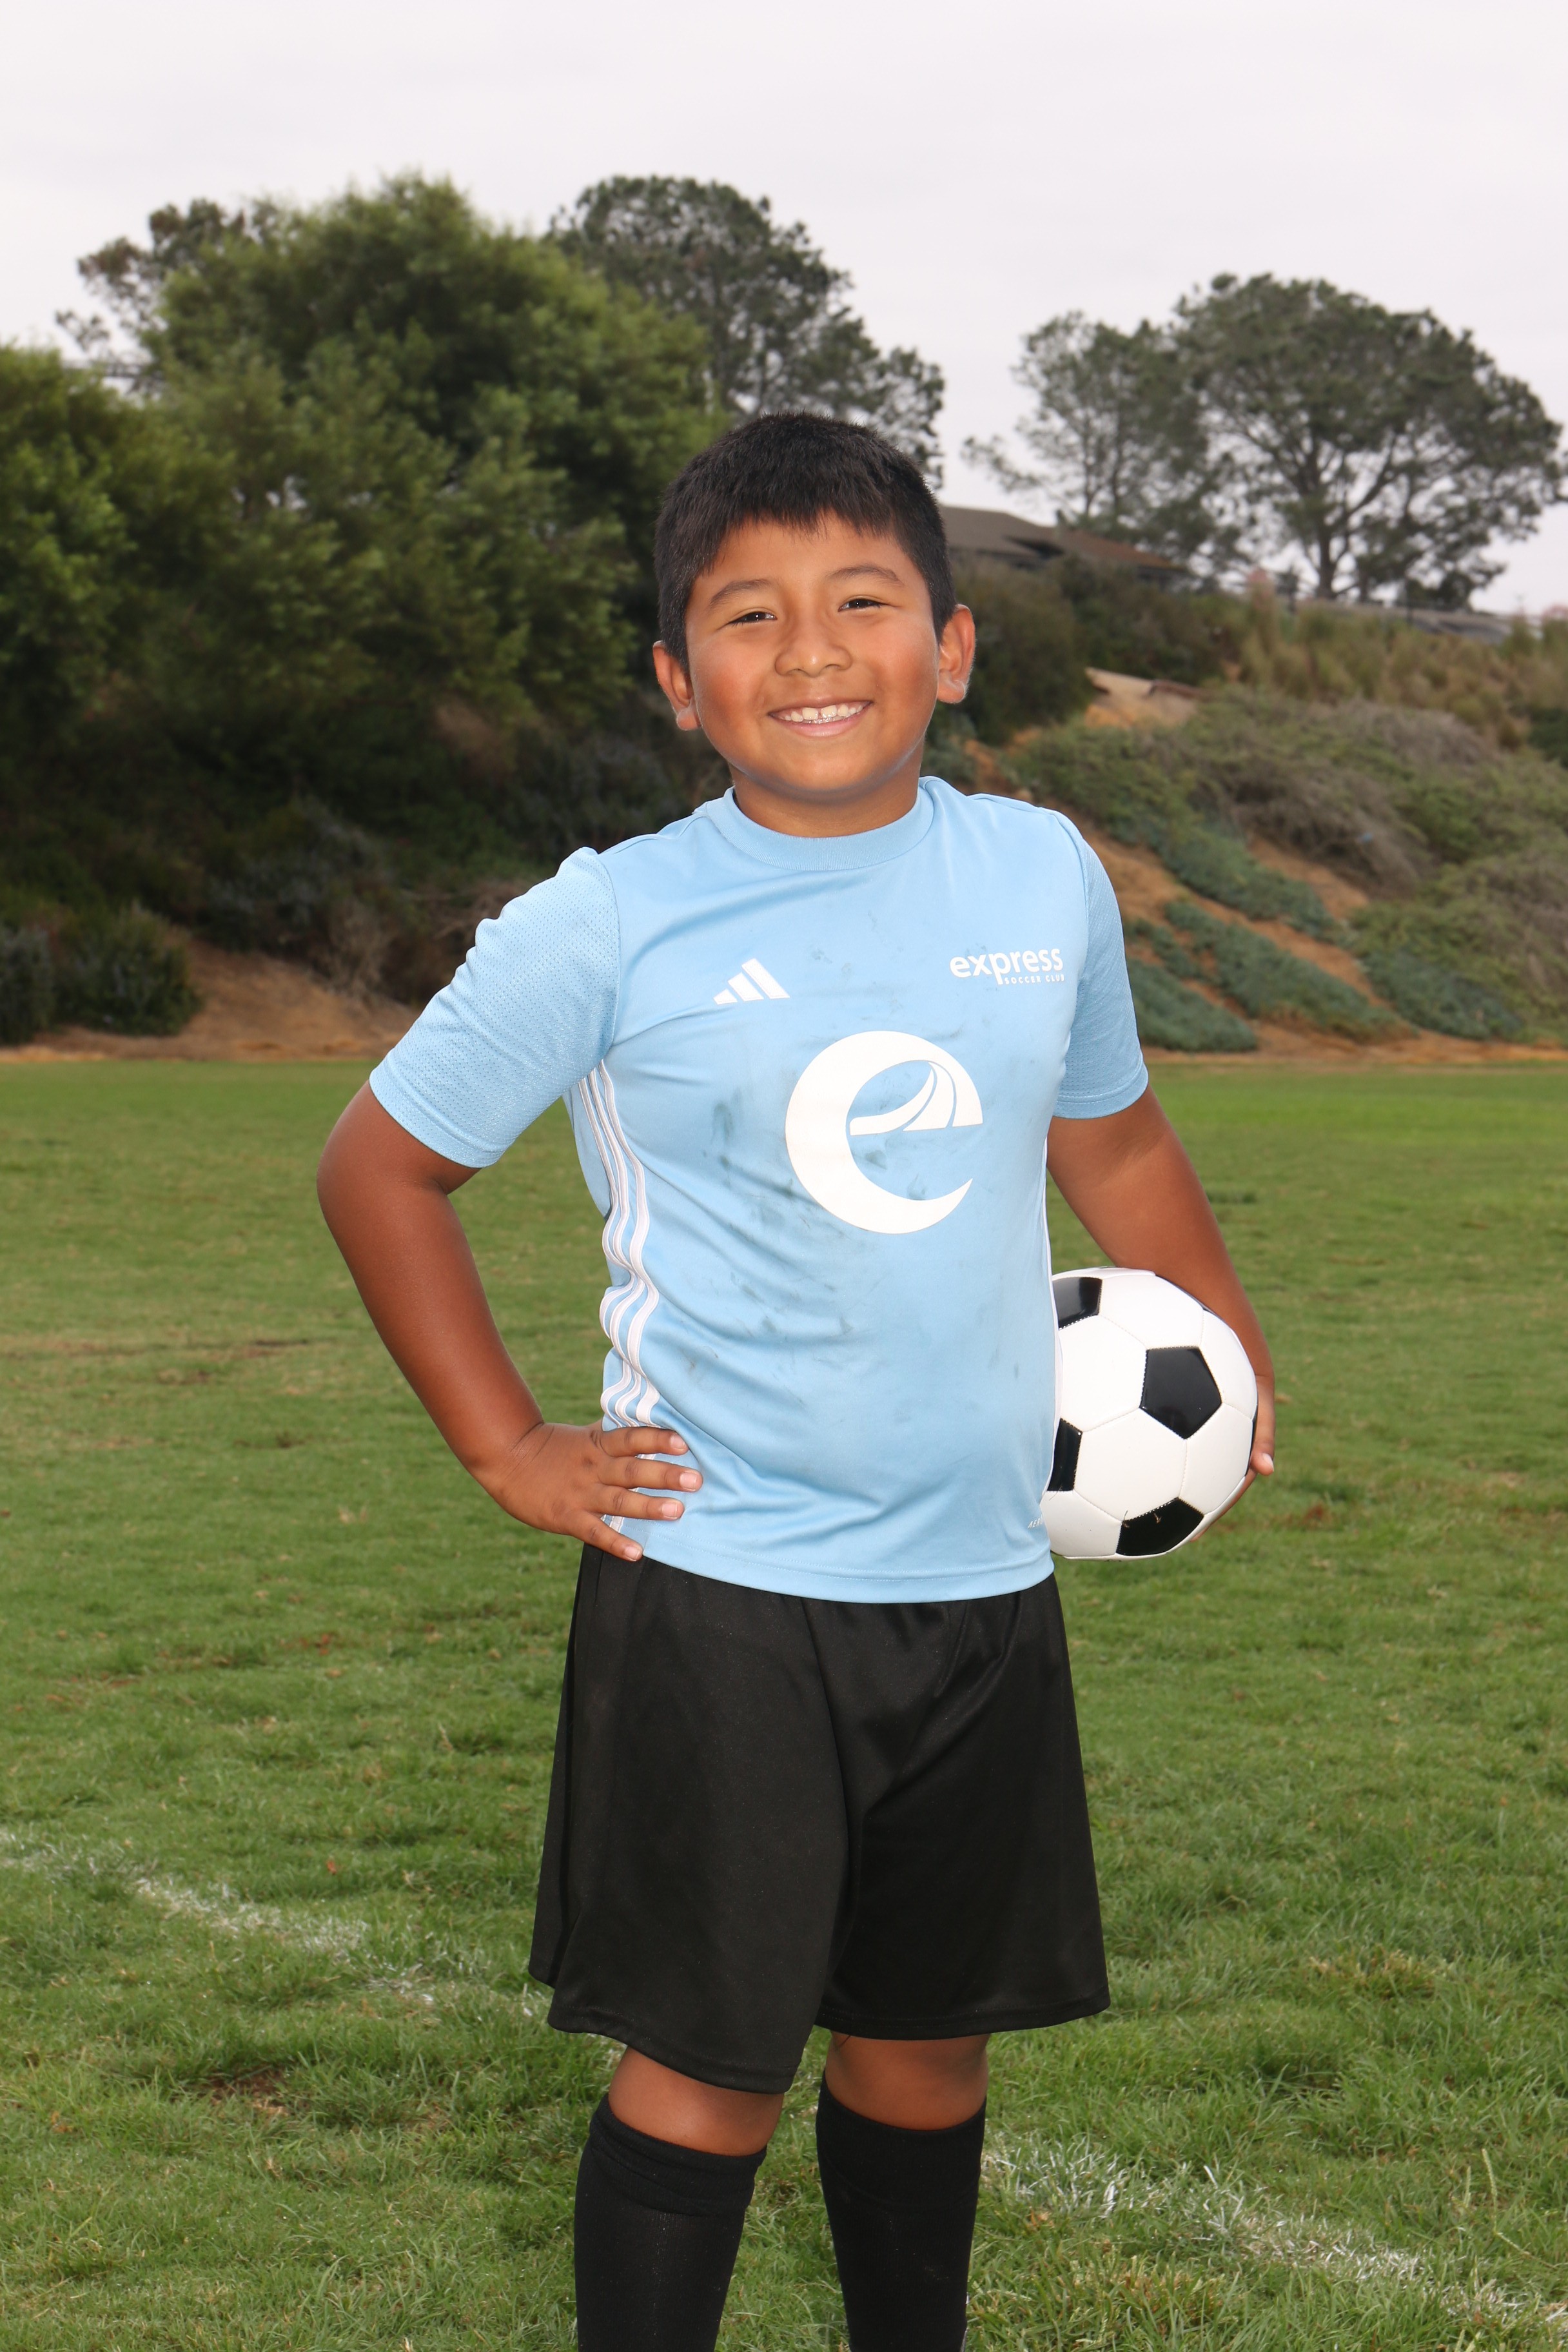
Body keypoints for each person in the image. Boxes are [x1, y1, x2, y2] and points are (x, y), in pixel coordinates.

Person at [317, 411, 1275, 2351]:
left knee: (927, 2054)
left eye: (863, 602)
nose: (813, 651)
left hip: (981, 1584)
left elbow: (1114, 1141)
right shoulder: (610, 919)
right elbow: (378, 1167)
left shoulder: (1040, 877)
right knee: (710, 2074)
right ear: (681, 682)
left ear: (954, 644)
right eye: (749, 615)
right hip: (727, 1592)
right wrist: (508, 1445)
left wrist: (1226, 1352)